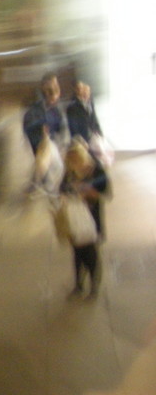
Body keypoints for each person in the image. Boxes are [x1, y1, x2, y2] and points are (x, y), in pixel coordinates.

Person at [59, 139, 110, 299]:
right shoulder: (69, 170)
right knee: (77, 253)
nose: (73, 163)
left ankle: (94, 285)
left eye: (75, 159)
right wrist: (66, 194)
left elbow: (106, 193)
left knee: (90, 253)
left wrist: (88, 191)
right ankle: (78, 285)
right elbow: (61, 188)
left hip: (91, 218)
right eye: (70, 159)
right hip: (74, 218)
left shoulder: (96, 170)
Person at [66, 79, 103, 145]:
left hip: (94, 137)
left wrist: (100, 133)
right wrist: (81, 141)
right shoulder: (72, 107)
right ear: (75, 90)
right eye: (78, 88)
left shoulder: (90, 103)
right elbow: (74, 129)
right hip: (83, 140)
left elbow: (94, 119)